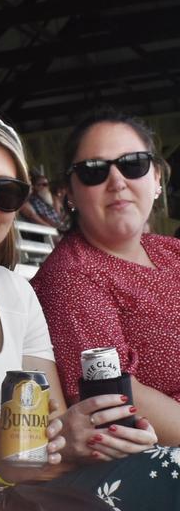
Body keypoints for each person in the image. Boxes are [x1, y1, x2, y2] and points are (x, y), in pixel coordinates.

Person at [0, 112, 180, 508]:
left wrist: (62, 443)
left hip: (33, 483)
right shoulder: (69, 277)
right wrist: (9, 461)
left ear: (157, 178)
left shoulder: (14, 291)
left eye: (5, 191)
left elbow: (51, 431)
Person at [34, 109, 180, 446]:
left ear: (156, 179)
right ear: (69, 193)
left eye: (133, 164)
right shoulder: (72, 274)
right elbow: (116, 393)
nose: (117, 182)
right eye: (93, 172)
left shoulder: (171, 251)